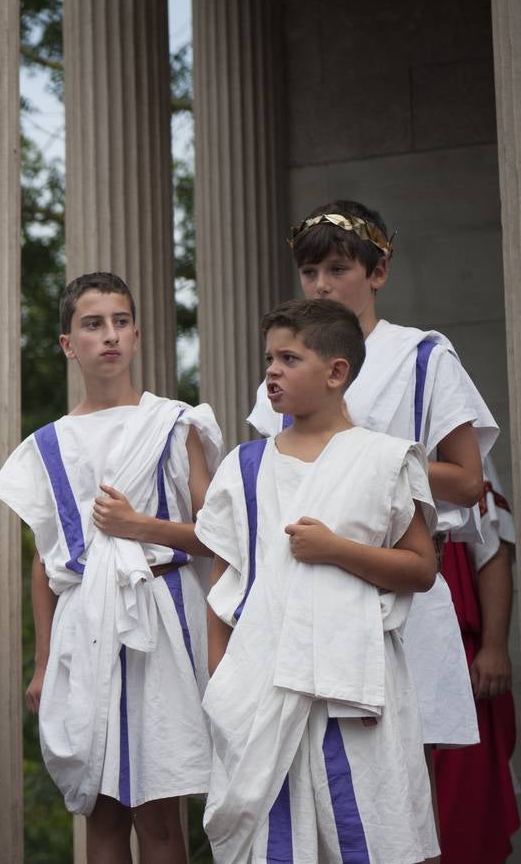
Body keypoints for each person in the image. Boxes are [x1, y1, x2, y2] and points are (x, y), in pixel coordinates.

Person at [247, 201, 498, 759]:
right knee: (311, 765)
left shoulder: (422, 356)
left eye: (338, 269)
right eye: (310, 272)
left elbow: (465, 482)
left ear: (378, 271)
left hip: (401, 579)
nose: (321, 286)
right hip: (307, 583)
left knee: (407, 783)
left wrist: (362, 459)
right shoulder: (291, 365)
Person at [0, 272, 221, 863]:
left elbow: (221, 536)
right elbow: (46, 563)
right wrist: (41, 664)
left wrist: (141, 527)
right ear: (68, 343)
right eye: (92, 325)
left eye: (120, 322)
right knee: (101, 808)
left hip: (161, 618)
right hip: (82, 622)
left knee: (159, 809)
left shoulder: (173, 423)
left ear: (137, 336)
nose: (108, 336)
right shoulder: (46, 445)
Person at [202, 299, 439, 862]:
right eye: (269, 359)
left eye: (290, 357)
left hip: (353, 683)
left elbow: (421, 568)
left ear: (336, 373)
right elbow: (220, 587)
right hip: (260, 686)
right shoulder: (244, 465)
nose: (272, 371)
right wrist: (221, 681)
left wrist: (337, 550)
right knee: (272, 842)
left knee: (368, 835)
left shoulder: (384, 459)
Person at [434, 455, 518, 862]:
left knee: (463, 818)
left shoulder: (462, 450)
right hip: (376, 661)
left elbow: (492, 552)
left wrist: (495, 647)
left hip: (454, 663)